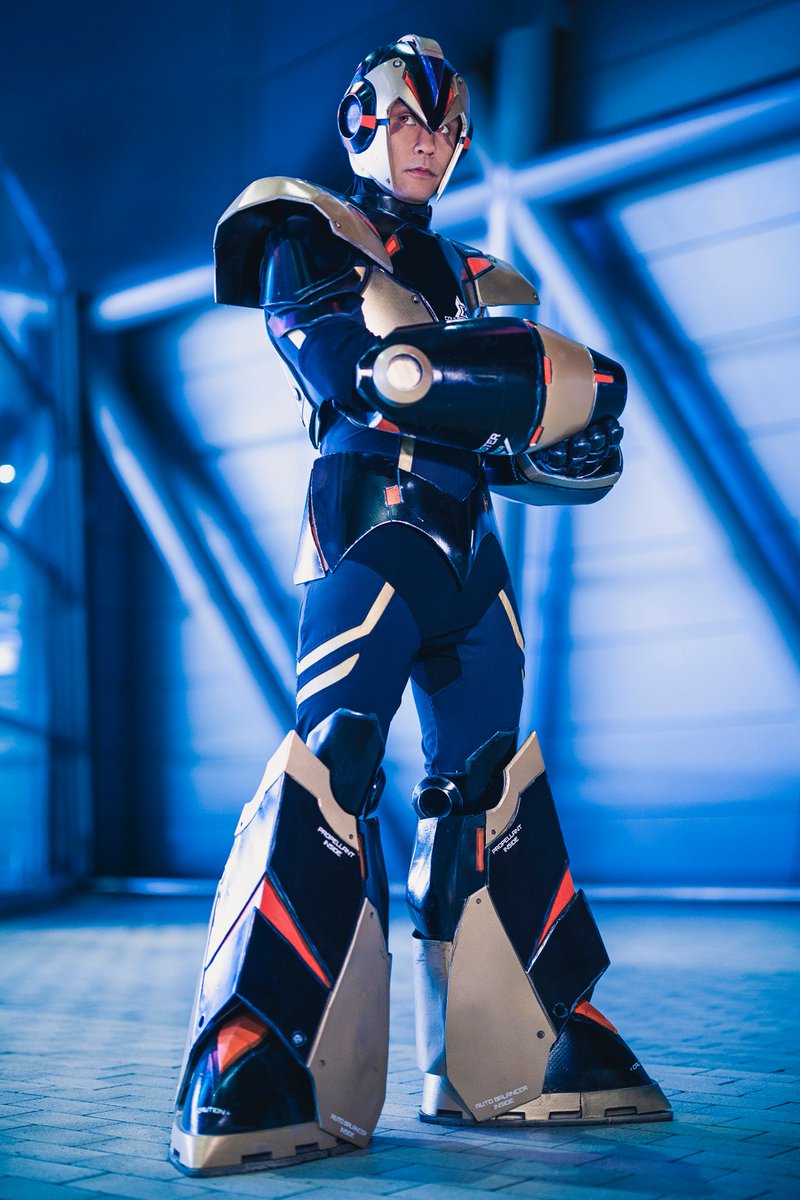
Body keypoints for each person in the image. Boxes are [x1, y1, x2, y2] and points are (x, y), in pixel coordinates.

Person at [169, 33, 670, 1177]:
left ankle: (530, 1039)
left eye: (443, 129)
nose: (427, 145)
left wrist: (555, 432)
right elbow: (348, 371)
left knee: (489, 785)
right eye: (406, 121)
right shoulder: (304, 230)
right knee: (333, 762)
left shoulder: (484, 281)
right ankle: (255, 1033)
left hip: (468, 549)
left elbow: (528, 446)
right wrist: (500, 388)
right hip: (367, 527)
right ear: (361, 122)